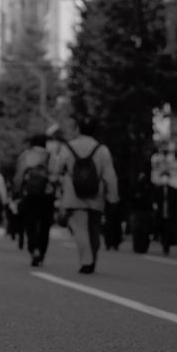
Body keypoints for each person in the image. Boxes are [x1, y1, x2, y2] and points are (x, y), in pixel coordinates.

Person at [57, 117, 118, 274]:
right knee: (94, 228)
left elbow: (57, 168)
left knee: (80, 228)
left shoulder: (68, 147)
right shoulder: (102, 149)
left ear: (78, 129)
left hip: (74, 194)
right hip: (96, 192)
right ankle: (93, 258)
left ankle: (86, 261)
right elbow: (110, 176)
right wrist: (113, 197)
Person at [13, 133, 57, 267]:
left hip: (30, 193)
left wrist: (17, 192)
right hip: (46, 194)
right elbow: (56, 175)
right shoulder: (51, 156)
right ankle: (42, 252)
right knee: (45, 224)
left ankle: (34, 249)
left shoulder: (25, 155)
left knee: (30, 223)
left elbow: (19, 176)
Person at [150, 169, 177, 256]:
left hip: (170, 215)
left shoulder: (174, 191)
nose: (165, 179)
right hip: (160, 214)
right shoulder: (157, 190)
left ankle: (166, 247)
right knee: (160, 229)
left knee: (167, 231)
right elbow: (154, 201)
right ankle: (157, 238)